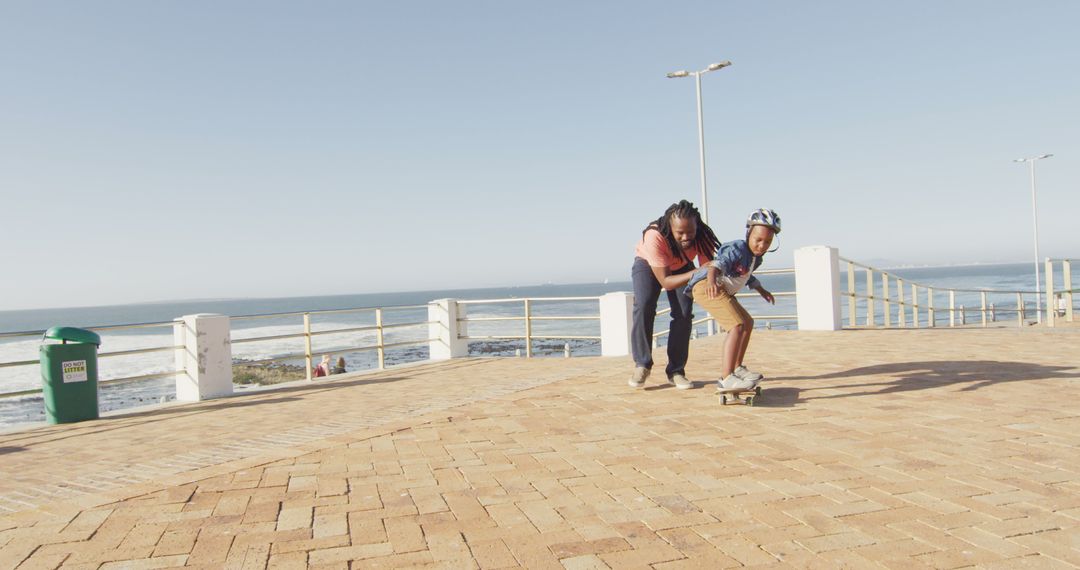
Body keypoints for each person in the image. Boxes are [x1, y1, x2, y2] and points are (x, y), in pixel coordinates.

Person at [685, 209, 781, 392]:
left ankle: (737, 368)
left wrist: (761, 290)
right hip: (707, 286)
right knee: (736, 326)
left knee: (747, 322)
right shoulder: (737, 248)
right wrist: (712, 281)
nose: (762, 245)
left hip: (721, 289)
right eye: (758, 240)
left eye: (767, 242)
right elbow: (716, 265)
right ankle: (726, 378)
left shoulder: (756, 258)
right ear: (748, 234)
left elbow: (746, 275)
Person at [629, 200, 720, 390]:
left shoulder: (702, 235)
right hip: (649, 264)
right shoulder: (655, 236)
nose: (686, 237)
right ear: (670, 227)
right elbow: (666, 282)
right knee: (644, 305)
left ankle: (676, 371)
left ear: (697, 227)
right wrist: (696, 272)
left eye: (690, 232)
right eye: (680, 233)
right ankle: (642, 364)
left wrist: (712, 282)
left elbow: (710, 267)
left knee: (684, 314)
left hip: (682, 265)